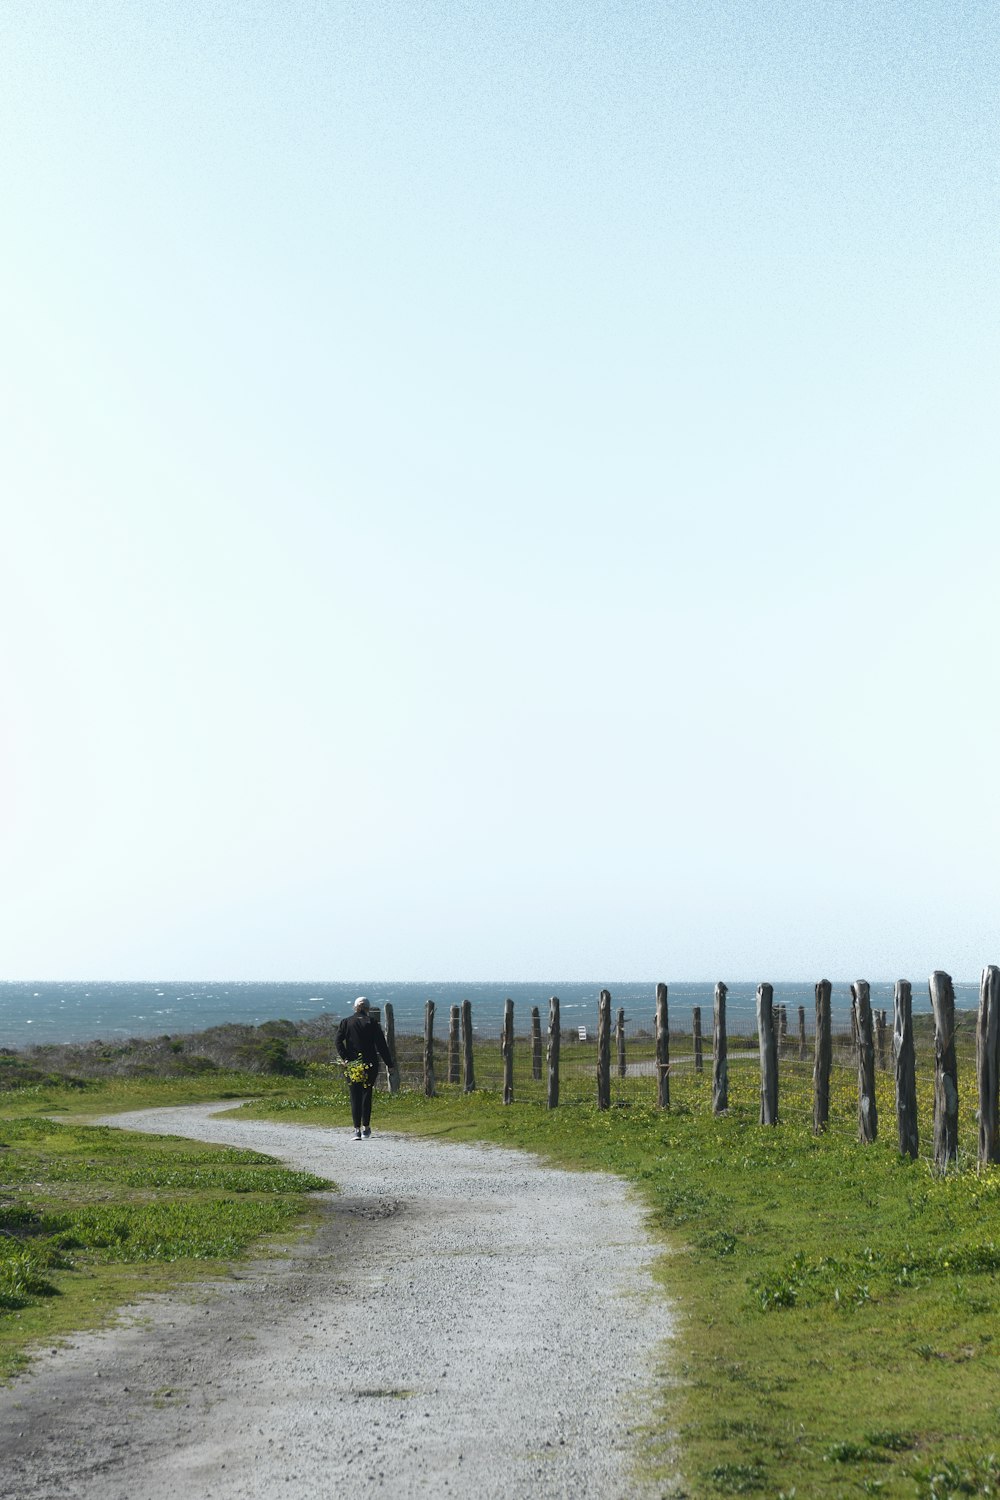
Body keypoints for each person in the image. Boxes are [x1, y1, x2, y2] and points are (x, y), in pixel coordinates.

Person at [335, 996, 395, 1139]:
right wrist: (389, 1064)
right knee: (366, 1093)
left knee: (354, 1095)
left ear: (355, 1007)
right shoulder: (372, 1022)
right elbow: (382, 1046)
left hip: (353, 1065)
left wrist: (346, 1058)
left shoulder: (346, 1022)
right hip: (370, 1063)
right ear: (368, 1008)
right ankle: (366, 1127)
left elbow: (338, 1041)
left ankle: (356, 1129)